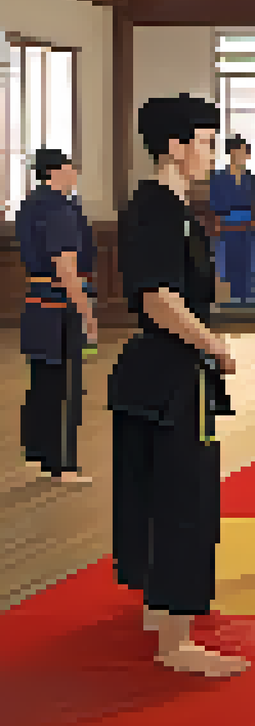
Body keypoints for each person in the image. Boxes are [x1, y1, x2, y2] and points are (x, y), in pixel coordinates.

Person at [108, 93, 248, 678]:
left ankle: (159, 611)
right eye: (208, 143)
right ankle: (175, 640)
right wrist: (213, 345)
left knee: (155, 493)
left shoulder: (169, 208)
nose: (214, 156)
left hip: (158, 372)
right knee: (183, 501)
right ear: (175, 147)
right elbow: (157, 297)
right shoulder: (158, 210)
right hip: (171, 374)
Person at [19, 148, 97, 485]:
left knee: (42, 381)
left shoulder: (31, 204)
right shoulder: (60, 209)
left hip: (36, 303)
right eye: (69, 167)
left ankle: (37, 454)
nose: (75, 172)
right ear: (53, 172)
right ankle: (62, 463)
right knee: (66, 385)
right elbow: (66, 267)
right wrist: (86, 311)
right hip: (61, 304)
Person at [210, 136, 255, 308]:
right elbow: (214, 202)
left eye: (246, 152)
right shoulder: (219, 177)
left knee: (248, 260)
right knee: (231, 259)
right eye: (240, 151)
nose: (244, 155)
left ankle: (248, 297)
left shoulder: (251, 179)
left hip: (248, 224)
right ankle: (234, 297)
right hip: (228, 222)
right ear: (232, 152)